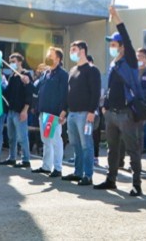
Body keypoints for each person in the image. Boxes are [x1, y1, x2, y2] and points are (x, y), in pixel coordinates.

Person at [94, 6, 146, 196]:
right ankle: (111, 179)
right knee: (112, 149)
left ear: (123, 46)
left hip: (126, 113)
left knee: (132, 150)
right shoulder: (114, 63)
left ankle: (137, 183)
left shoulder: (130, 60)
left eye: (115, 44)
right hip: (112, 114)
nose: (112, 47)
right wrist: (105, 107)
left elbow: (128, 37)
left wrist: (116, 17)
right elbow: (111, 88)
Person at [62, 41, 101, 186]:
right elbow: (69, 92)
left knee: (86, 145)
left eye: (74, 49)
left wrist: (92, 111)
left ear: (82, 50)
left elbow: (95, 93)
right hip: (72, 114)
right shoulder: (72, 70)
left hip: (85, 114)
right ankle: (78, 173)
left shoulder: (92, 70)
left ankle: (88, 175)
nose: (71, 52)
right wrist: (65, 111)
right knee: (75, 144)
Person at [31, 47, 68, 178]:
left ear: (58, 58)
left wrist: (63, 111)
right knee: (46, 140)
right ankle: (46, 166)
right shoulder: (46, 73)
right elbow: (37, 88)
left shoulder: (62, 74)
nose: (48, 57)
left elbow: (65, 94)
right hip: (43, 112)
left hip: (54, 113)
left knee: (55, 140)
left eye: (50, 55)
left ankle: (57, 168)